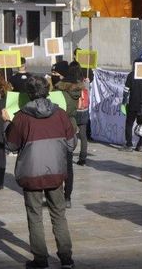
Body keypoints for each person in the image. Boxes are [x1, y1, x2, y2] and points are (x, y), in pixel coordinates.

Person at [3, 75, 77, 269]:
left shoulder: (21, 117)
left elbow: (10, 145)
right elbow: (71, 144)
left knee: (35, 215)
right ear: (47, 90)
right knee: (58, 214)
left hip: (31, 173)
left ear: (28, 94)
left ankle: (41, 259)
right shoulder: (60, 114)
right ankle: (66, 258)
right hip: (55, 172)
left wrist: (6, 123)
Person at [55, 73, 82, 208]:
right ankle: (68, 197)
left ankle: (57, 196)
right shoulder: (76, 93)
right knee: (68, 165)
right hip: (72, 128)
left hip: (59, 128)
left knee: (57, 164)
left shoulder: (60, 94)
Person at [123, 61, 142, 151]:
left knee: (129, 124)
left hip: (133, 104)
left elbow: (126, 90)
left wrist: (123, 102)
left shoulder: (131, 75)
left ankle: (129, 144)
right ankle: (140, 145)